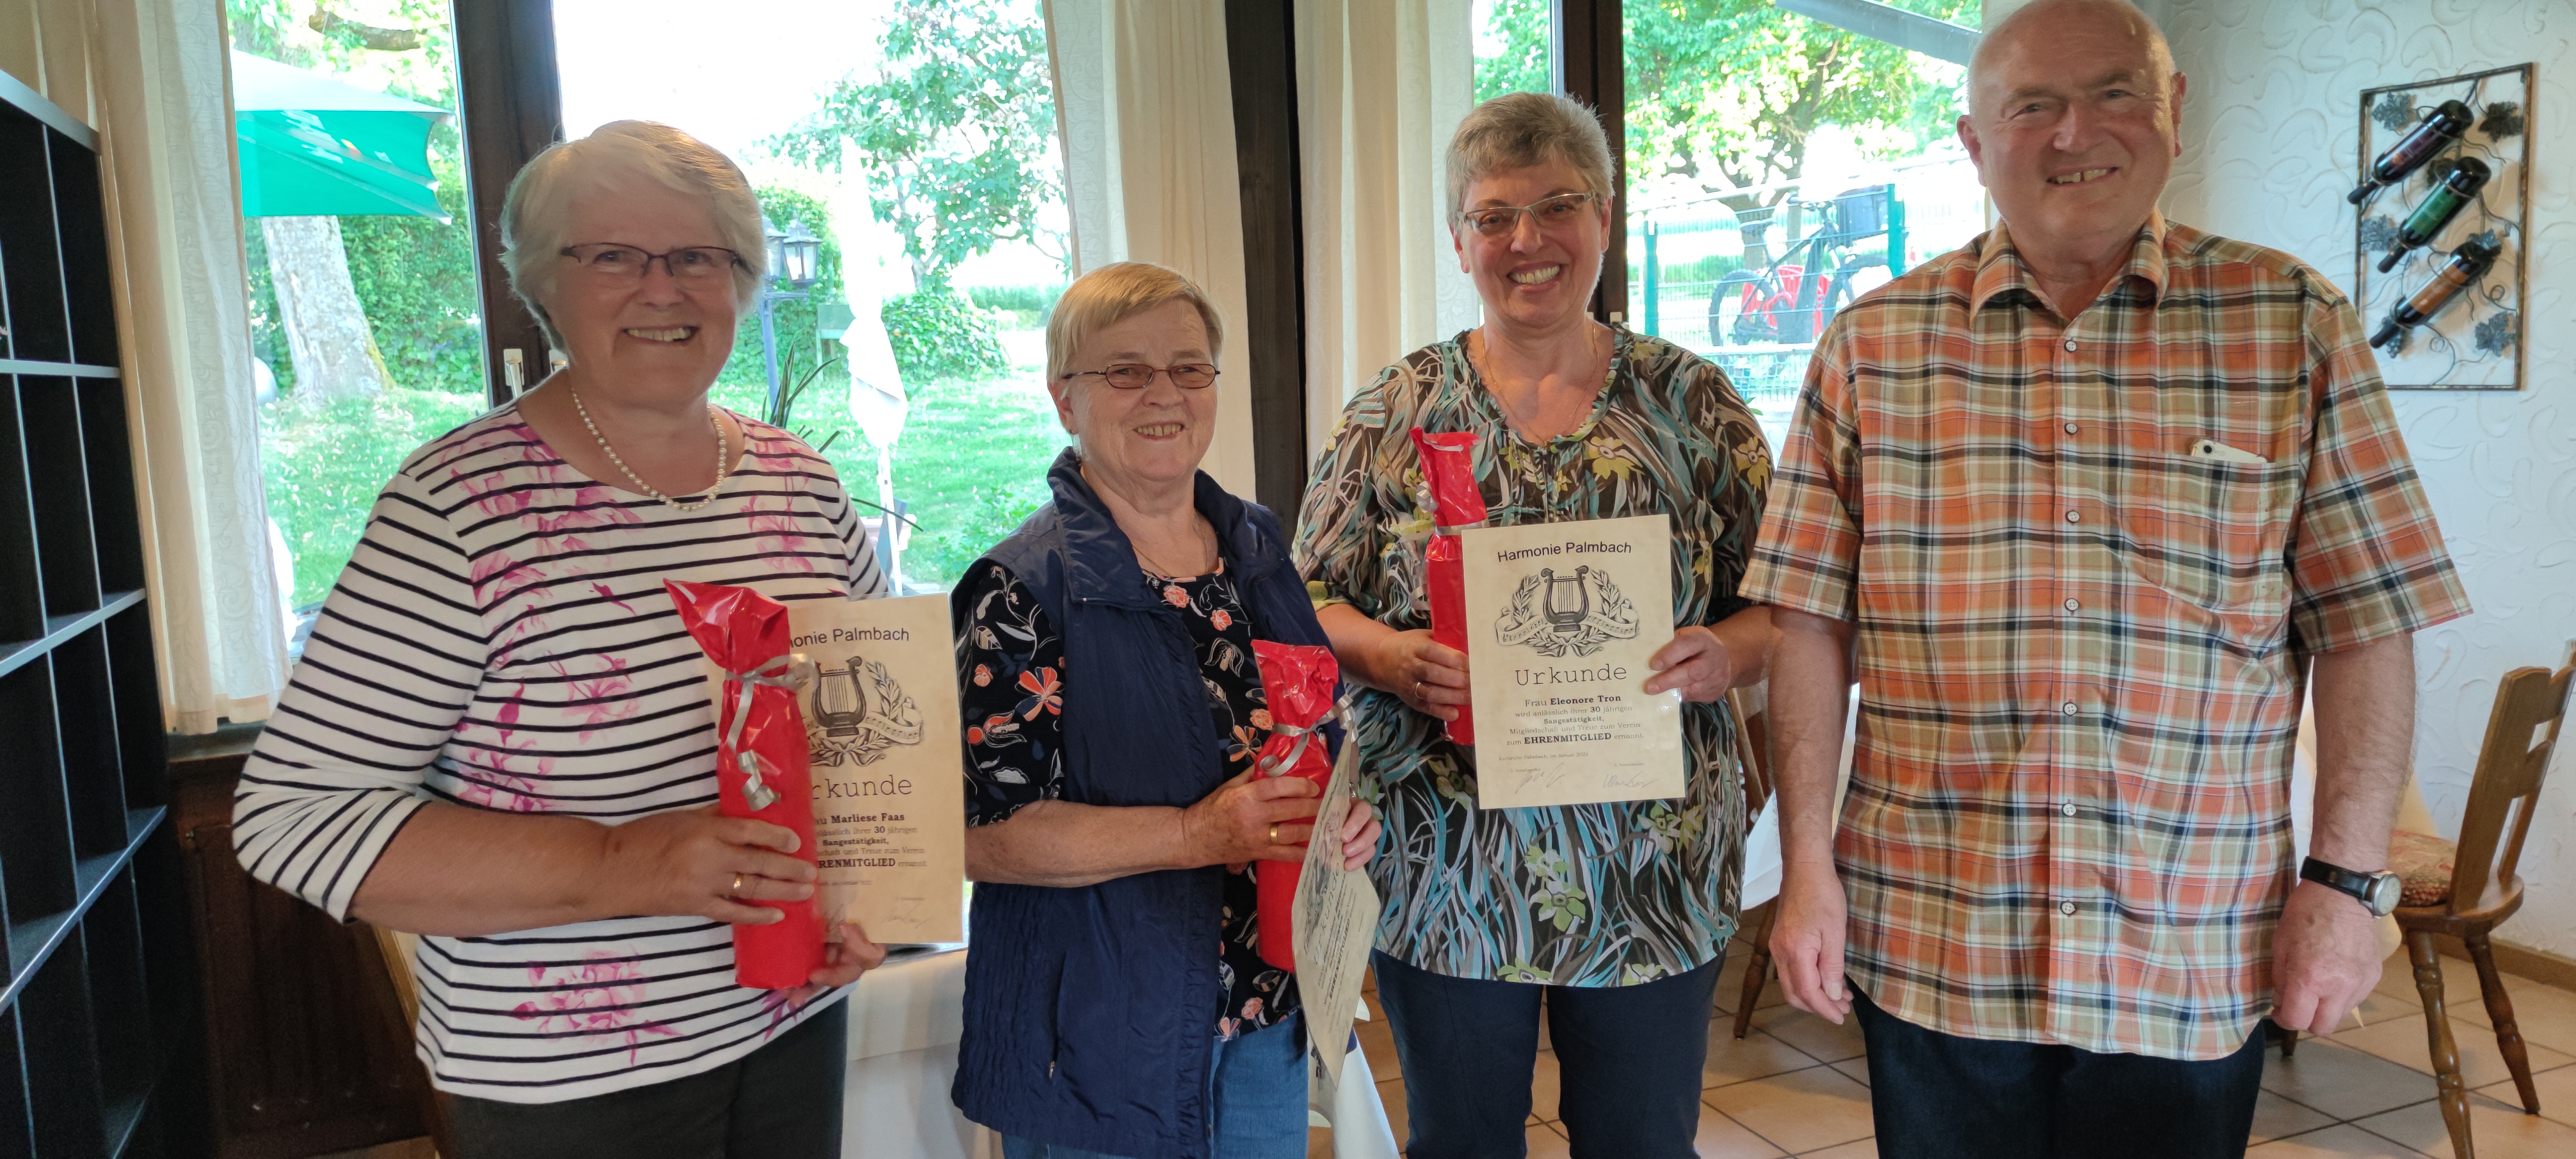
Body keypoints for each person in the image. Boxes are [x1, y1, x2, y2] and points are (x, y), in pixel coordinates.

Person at [1747, 3, 2474, 1157]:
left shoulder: (2293, 325)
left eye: (2112, 93)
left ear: (2174, 113)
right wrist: (1804, 873)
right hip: (1938, 939)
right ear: (1974, 142)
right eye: (2029, 104)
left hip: (2187, 944)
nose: (2073, 131)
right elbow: (1804, 630)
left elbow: (2367, 622)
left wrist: (2345, 887)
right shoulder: (1868, 349)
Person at [232, 121, 889, 1159]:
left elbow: (856, 739)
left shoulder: (799, 483)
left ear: (743, 279)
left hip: (790, 1014)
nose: (662, 288)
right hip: (569, 1078)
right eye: (614, 256)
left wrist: (861, 899)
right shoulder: (456, 509)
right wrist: (634, 862)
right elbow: (293, 822)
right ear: (545, 284)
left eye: (698, 257)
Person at [1292, 92, 1773, 1158]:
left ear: (1604, 216)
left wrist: (1722, 654)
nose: (1528, 241)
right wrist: (1392, 656)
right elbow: (1306, 601)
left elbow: (1788, 601)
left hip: (1654, 860)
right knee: (1461, 1144)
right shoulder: (1394, 411)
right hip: (1446, 858)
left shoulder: (1691, 404)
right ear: (1459, 239)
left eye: (1557, 206)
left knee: (1642, 1145)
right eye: (1494, 215)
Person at [949, 261, 1383, 1159]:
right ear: (1065, 398)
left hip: (1264, 1009)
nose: (1164, 393)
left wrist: (1340, 820)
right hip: (1103, 1039)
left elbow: (1316, 739)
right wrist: (1195, 834)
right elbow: (980, 835)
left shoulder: (1256, 548)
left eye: (1189, 368)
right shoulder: (1019, 590)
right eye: (1125, 371)